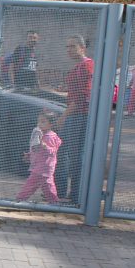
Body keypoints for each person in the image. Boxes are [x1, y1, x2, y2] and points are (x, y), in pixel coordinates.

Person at [55, 35, 94, 204]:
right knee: (65, 152)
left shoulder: (87, 65)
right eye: (67, 46)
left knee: (75, 155)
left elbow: (83, 96)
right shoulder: (79, 67)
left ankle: (75, 194)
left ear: (82, 48)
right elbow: (77, 91)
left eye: (72, 46)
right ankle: (62, 192)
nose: (69, 50)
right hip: (75, 115)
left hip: (79, 116)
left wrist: (64, 116)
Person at [16, 110, 61, 204]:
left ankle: (20, 199)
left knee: (31, 185)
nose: (39, 124)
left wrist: (46, 146)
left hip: (44, 168)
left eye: (43, 122)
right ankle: (54, 202)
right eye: (39, 121)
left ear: (51, 124)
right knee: (47, 187)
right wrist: (29, 155)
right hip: (39, 168)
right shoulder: (40, 134)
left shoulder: (50, 137)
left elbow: (53, 151)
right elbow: (37, 150)